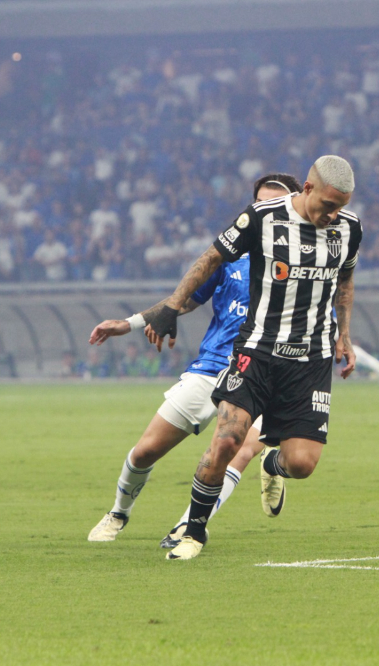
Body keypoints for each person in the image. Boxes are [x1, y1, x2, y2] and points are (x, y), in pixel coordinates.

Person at [131, 155, 361, 560]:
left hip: (311, 361)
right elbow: (211, 259)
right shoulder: (260, 219)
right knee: (227, 441)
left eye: (340, 206)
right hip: (257, 350)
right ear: (307, 190)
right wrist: (171, 306)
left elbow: (345, 279)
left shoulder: (349, 228)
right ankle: (193, 533)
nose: (333, 214)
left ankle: (272, 465)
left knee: (303, 463)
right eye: (328, 205)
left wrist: (344, 334)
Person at [86, 173, 303, 548]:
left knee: (238, 446)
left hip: (264, 371)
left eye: (275, 204)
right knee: (146, 450)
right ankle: (118, 513)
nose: (267, 211)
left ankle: (190, 526)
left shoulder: (305, 262)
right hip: (212, 367)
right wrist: (132, 323)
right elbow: (184, 299)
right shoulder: (230, 255)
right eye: (260, 204)